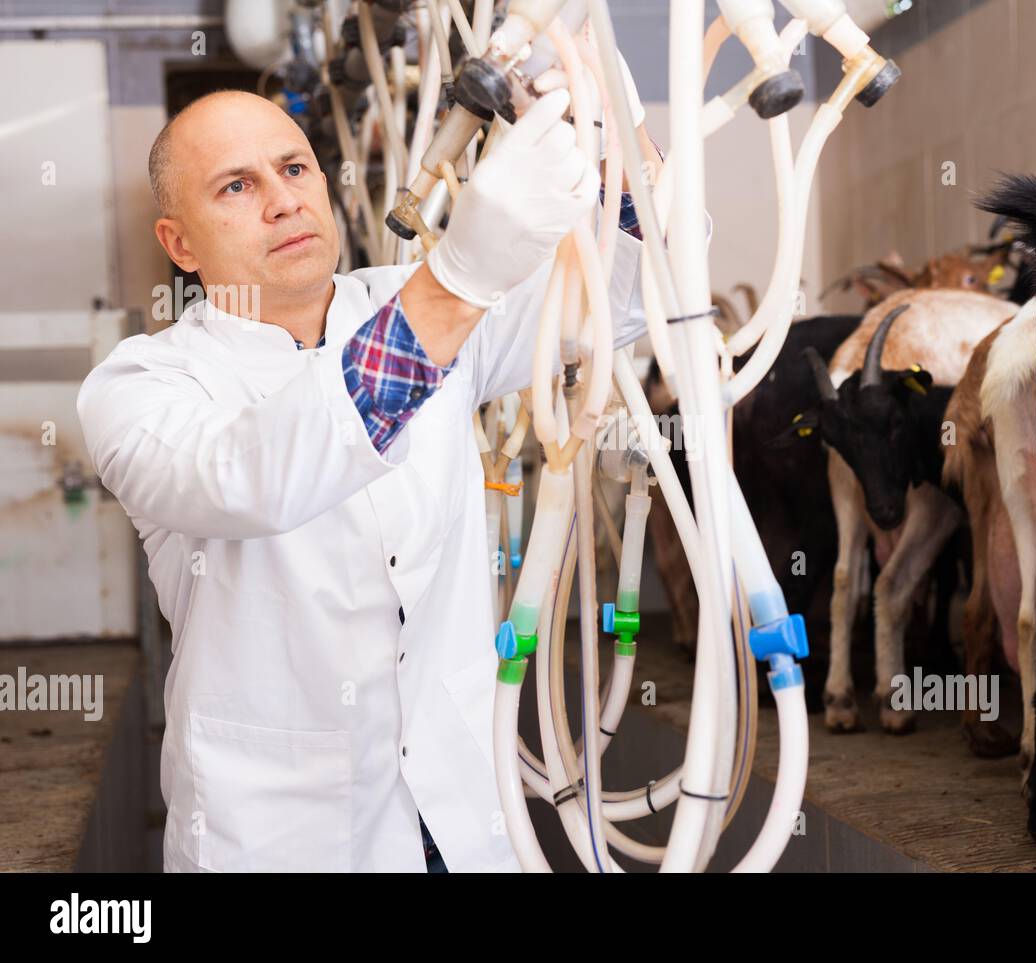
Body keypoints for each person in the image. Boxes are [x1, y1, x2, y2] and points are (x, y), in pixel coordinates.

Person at [77, 84, 655, 872]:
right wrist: (456, 277)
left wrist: (612, 128)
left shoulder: (403, 298)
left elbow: (618, 294)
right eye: (237, 186)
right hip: (281, 836)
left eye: (295, 169)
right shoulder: (140, 385)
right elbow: (252, 476)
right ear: (179, 243)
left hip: (461, 811)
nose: (283, 201)